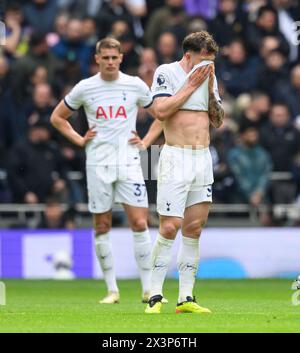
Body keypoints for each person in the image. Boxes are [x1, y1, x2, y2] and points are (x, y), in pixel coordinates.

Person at [50, 38, 173, 304]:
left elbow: (162, 116)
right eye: (104, 57)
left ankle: (149, 289)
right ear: (97, 59)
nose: (109, 62)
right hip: (97, 163)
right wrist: (79, 139)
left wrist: (146, 142)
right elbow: (57, 117)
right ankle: (112, 290)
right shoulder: (85, 88)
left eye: (113, 58)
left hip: (130, 161)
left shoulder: (135, 84)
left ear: (121, 58)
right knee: (102, 225)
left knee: (140, 223)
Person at [141, 31, 224, 314]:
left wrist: (210, 83)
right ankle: (153, 294)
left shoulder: (209, 77)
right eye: (203, 61)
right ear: (189, 55)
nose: (207, 66)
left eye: (211, 62)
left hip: (202, 158)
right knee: (169, 226)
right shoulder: (167, 72)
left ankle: (186, 298)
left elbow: (218, 120)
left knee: (194, 228)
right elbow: (161, 110)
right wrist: (190, 86)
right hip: (176, 156)